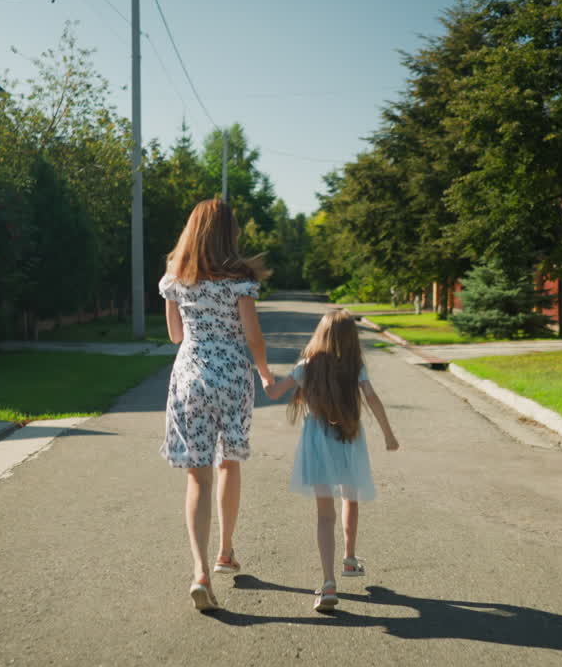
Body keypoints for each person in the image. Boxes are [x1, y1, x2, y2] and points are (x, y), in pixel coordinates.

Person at [159, 198, 274, 612]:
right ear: (228, 233)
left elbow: (175, 336)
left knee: (198, 478)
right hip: (231, 377)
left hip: (190, 377)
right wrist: (264, 372)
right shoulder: (239, 279)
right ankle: (226, 550)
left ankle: (201, 571)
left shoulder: (175, 278)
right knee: (229, 462)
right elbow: (253, 334)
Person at [265, 309, 399, 612]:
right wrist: (389, 435)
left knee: (324, 515)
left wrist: (262, 371)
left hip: (316, 441)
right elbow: (372, 397)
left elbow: (274, 392)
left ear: (320, 334)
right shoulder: (355, 366)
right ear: (352, 338)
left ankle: (328, 583)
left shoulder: (307, 365)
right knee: (350, 497)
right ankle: (349, 559)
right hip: (349, 437)